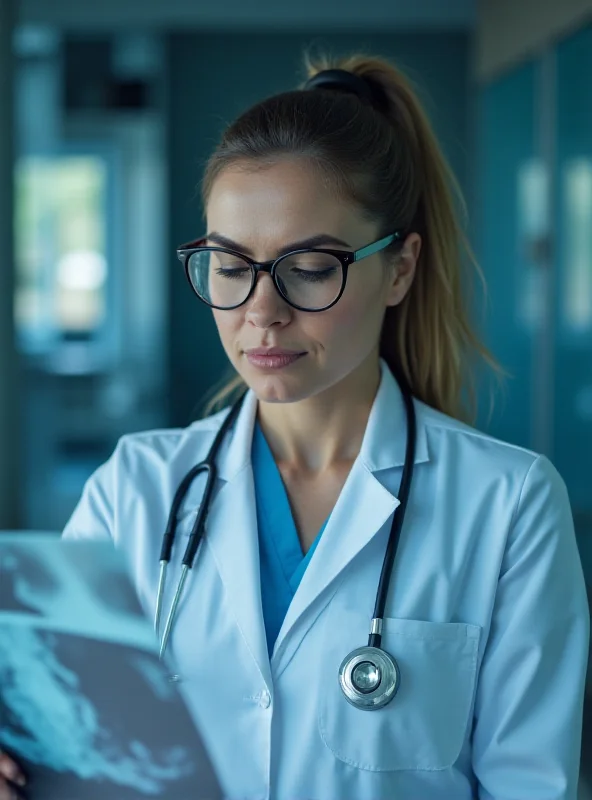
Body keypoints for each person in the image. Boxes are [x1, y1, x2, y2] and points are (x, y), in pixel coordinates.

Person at [1, 51, 589, 800]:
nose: (261, 311)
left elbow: (529, 787)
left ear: (400, 268)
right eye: (229, 264)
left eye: (310, 266)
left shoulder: (508, 505)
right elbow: (69, 752)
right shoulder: (135, 489)